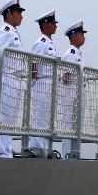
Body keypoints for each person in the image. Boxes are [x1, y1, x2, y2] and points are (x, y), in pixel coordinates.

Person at [0, 0, 26, 157]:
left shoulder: (14, 32)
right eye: (18, 12)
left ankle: (6, 148)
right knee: (4, 115)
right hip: (7, 77)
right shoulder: (5, 31)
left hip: (16, 79)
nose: (21, 16)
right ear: (9, 13)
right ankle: (1, 150)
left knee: (11, 118)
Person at [28, 10, 58, 150]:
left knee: (47, 117)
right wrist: (34, 81)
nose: (55, 26)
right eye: (52, 23)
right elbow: (34, 63)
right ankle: (37, 147)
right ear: (45, 24)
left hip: (50, 82)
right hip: (42, 82)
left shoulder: (51, 43)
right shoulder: (41, 42)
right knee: (40, 115)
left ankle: (44, 147)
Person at [59, 20, 86, 158]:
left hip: (77, 90)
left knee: (77, 125)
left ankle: (75, 152)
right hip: (70, 90)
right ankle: (67, 154)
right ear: (73, 35)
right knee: (69, 123)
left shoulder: (77, 53)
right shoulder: (70, 53)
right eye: (81, 33)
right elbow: (66, 77)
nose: (83, 36)